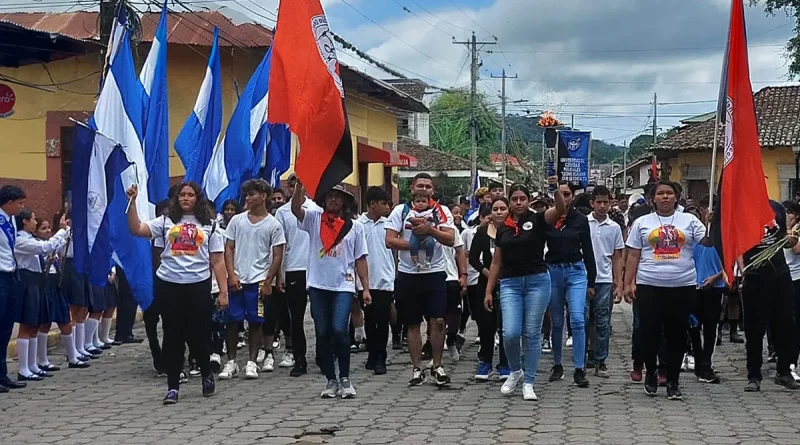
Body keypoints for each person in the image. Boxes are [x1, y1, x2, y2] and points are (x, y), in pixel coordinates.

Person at [126, 181, 229, 405]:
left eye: (191, 195)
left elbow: (218, 261)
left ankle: (205, 373)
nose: (186, 198)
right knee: (172, 336)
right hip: (169, 285)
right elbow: (137, 229)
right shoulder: (165, 221)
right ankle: (173, 386)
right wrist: (132, 203)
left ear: (197, 198)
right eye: (182, 195)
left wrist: (224, 292)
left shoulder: (210, 225)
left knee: (198, 335)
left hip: (198, 285)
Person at [624, 181, 706, 400]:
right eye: (660, 193)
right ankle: (651, 372)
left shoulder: (689, 220)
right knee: (649, 333)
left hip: (682, 286)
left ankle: (673, 381)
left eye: (670, 193)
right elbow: (633, 254)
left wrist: (717, 220)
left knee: (677, 335)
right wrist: (628, 283)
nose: (665, 197)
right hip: (650, 285)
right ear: (653, 199)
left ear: (677, 197)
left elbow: (706, 241)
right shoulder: (642, 222)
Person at [485, 179, 566, 400]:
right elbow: (496, 262)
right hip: (510, 283)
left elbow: (560, 209)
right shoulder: (502, 229)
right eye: (514, 199)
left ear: (528, 201)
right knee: (509, 333)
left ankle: (529, 381)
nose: (519, 203)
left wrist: (556, 189)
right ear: (509, 202)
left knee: (532, 333)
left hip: (537, 281)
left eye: (523, 199)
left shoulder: (538, 219)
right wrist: (489, 290)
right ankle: (515, 370)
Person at [292, 182, 370, 398]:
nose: (334, 200)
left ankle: (345, 377)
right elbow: (296, 209)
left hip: (343, 285)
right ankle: (330, 379)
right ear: (324, 200)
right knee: (322, 333)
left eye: (338, 196)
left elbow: (360, 258)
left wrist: (365, 287)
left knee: (339, 330)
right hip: (318, 285)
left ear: (345, 201)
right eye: (330, 196)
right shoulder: (315, 219)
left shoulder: (355, 227)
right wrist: (299, 187)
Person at [387, 173, 456, 387]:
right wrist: (414, 245)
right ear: (412, 189)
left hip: (434, 273)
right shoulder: (401, 211)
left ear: (432, 191)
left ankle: (437, 365)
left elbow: (451, 239)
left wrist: (430, 231)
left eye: (428, 186)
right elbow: (389, 240)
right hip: (408, 274)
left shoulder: (441, 211)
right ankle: (417, 368)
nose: (424, 190)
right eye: (420, 186)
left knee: (438, 321)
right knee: (413, 323)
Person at [220, 179, 286, 380]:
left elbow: (277, 255)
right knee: (232, 320)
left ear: (263, 196)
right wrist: (231, 274)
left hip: (258, 280)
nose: (247, 199)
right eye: (246, 195)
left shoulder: (273, 225)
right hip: (238, 278)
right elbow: (229, 248)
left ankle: (251, 362)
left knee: (255, 321)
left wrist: (268, 281)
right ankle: (231, 362)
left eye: (252, 195)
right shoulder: (237, 221)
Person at [739, 196, 800, 392]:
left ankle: (784, 371)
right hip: (754, 273)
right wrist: (743, 270)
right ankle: (754, 376)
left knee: (786, 323)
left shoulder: (777, 208)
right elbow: (737, 243)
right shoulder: (740, 209)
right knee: (754, 328)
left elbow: (784, 239)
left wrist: (791, 240)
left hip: (780, 273)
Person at [545, 181, 596, 387]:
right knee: (556, 321)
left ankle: (578, 368)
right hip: (553, 271)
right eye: (560, 194)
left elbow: (589, 250)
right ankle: (557, 364)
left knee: (577, 318)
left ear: (572, 197)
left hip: (576, 270)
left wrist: (592, 281)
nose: (564, 197)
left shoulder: (580, 220)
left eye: (567, 194)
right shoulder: (547, 218)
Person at [14, 209, 69, 381]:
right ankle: (23, 368)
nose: (35, 222)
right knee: (26, 324)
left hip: (37, 281)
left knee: (34, 325)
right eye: (32, 219)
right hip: (27, 281)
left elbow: (45, 252)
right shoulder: (20, 240)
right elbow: (45, 247)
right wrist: (61, 230)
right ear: (25, 222)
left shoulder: (29, 238)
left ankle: (32, 365)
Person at [274, 175, 317, 377]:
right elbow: (280, 245)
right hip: (294, 267)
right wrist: (279, 274)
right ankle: (299, 358)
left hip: (315, 269)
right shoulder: (282, 213)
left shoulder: (316, 209)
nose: (296, 188)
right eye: (292, 185)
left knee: (319, 316)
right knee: (296, 318)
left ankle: (323, 354)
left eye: (300, 185)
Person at [33, 217, 88, 371]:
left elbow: (62, 244)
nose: (48, 231)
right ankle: (42, 360)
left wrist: (68, 232)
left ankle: (73, 357)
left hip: (56, 284)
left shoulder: (52, 243)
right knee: (45, 323)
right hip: (44, 284)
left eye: (48, 227)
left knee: (65, 320)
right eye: (43, 228)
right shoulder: (36, 245)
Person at [586, 186, 624, 378]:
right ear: (591, 203)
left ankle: (601, 360)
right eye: (598, 202)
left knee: (602, 321)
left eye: (605, 202)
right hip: (583, 279)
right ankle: (586, 356)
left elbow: (617, 256)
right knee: (583, 319)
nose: (602, 206)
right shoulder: (583, 223)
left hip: (604, 280)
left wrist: (619, 283)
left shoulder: (614, 227)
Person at [469, 201, 510, 380]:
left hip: (509, 282)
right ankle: (486, 361)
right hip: (485, 283)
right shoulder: (482, 232)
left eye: (502, 209)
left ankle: (506, 363)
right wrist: (490, 274)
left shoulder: (512, 231)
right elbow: (474, 259)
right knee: (486, 324)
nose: (499, 213)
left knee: (507, 326)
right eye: (495, 209)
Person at [683, 205, 723, 384]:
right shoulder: (690, 241)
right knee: (692, 327)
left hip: (714, 287)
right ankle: (698, 360)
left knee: (710, 327)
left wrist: (715, 278)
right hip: (693, 286)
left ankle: (706, 364)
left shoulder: (721, 239)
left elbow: (730, 262)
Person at [358, 187, 395, 375]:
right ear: (372, 204)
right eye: (383, 203)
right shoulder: (358, 224)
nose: (387, 207)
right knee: (369, 320)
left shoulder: (389, 226)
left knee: (382, 319)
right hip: (364, 281)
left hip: (384, 279)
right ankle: (372, 352)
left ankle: (381, 355)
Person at [0, 186, 27, 392]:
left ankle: (3, 374)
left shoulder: (11, 221)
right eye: (20, 203)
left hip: (11, 275)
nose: (22, 207)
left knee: (6, 327)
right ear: (9, 203)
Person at [407, 192, 441, 271]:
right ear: (414, 203)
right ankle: (416, 263)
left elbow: (434, 220)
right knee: (412, 246)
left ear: (428, 203)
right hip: (416, 234)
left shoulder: (430, 212)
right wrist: (423, 219)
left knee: (430, 244)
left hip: (427, 234)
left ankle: (428, 261)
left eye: (423, 201)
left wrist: (431, 219)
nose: (420, 204)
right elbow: (411, 219)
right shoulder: (412, 212)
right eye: (418, 201)